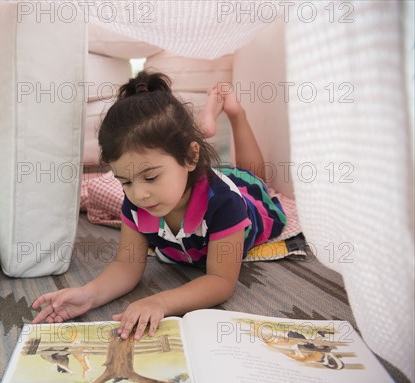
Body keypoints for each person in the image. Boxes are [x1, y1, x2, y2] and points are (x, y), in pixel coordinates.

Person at [32, 71, 286, 340]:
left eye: (150, 177)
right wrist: (89, 295)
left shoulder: (225, 204)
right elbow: (126, 267)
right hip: (197, 183)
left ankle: (236, 114)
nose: (139, 194)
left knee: (255, 180)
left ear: (190, 157)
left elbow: (221, 281)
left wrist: (160, 302)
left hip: (248, 203)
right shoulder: (136, 202)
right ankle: (210, 123)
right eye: (124, 181)